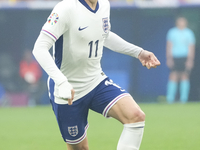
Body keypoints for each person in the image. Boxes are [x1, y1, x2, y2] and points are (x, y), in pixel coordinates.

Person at [32, 0, 160, 149]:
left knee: (136, 116)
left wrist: (138, 52)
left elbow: (104, 35)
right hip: (68, 91)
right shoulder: (65, 8)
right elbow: (39, 48)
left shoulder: (104, 5)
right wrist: (61, 82)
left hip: (96, 81)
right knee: (81, 148)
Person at [166, 17, 195, 104]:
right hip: (175, 57)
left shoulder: (189, 33)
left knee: (185, 76)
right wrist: (169, 58)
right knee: (173, 76)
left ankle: (183, 99)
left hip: (185, 57)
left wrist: (190, 60)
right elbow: (169, 46)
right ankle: (170, 99)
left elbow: (191, 47)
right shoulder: (172, 32)